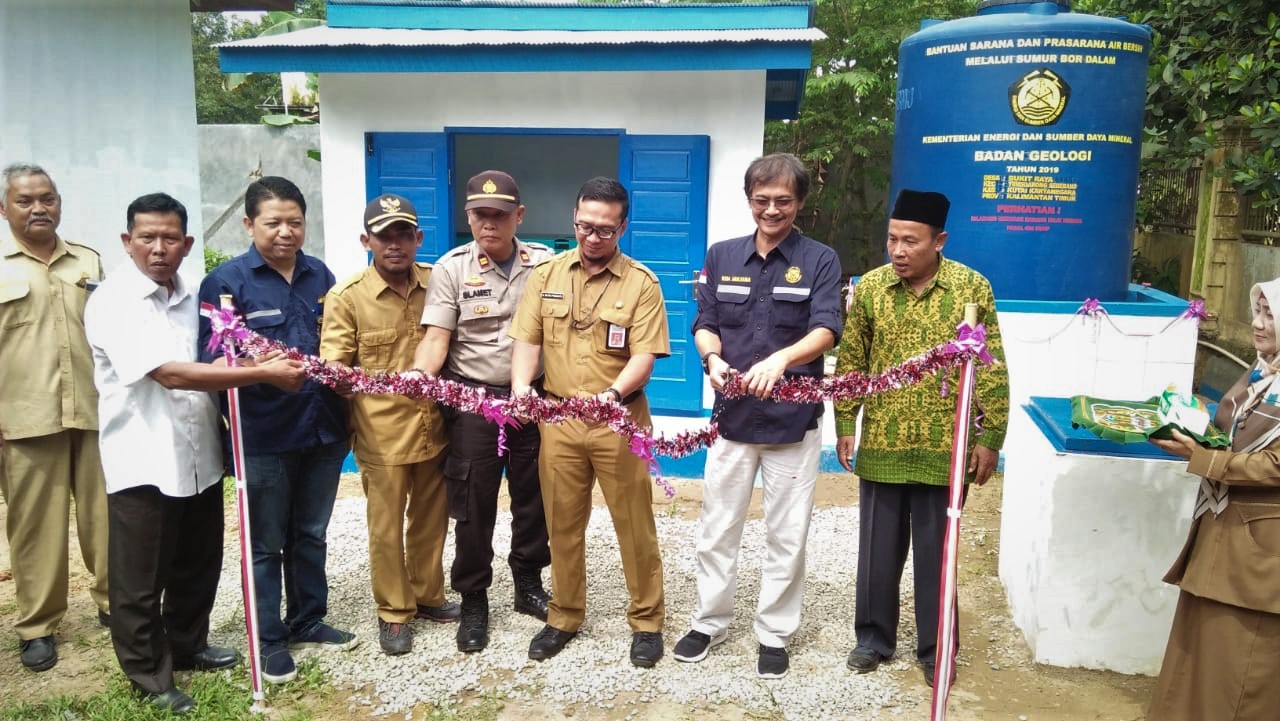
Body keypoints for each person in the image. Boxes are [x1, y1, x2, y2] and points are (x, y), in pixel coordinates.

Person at [85, 192, 306, 714]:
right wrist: (264, 373)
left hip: (200, 453)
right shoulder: (114, 300)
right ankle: (148, 674)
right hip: (144, 456)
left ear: (187, 244)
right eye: (146, 237)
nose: (158, 248)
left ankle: (188, 643)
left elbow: (217, 354)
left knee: (197, 562)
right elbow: (170, 373)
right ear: (127, 241)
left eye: (169, 238)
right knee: (140, 578)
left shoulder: (195, 297)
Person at [673, 153, 842, 679]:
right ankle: (709, 621)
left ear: (800, 203)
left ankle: (774, 633)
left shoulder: (820, 260)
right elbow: (704, 321)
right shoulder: (722, 255)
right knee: (718, 527)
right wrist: (712, 358)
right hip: (734, 420)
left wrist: (782, 360)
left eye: (784, 201)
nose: (772, 210)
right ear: (749, 200)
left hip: (794, 423)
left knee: (787, 534)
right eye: (762, 200)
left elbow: (827, 328)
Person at [835, 189, 1008, 687]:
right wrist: (846, 422)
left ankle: (936, 650)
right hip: (885, 440)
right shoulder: (869, 288)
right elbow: (853, 361)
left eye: (911, 241)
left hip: (945, 445)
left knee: (938, 553)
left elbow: (991, 369)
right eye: (892, 239)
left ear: (940, 241)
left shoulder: (971, 290)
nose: (899, 250)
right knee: (877, 551)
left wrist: (989, 435)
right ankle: (872, 639)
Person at [197, 176, 354, 684]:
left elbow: (337, 342)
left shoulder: (321, 276)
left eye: (295, 222)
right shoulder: (226, 283)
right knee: (265, 543)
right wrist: (261, 369)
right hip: (264, 433)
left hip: (325, 429)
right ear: (249, 224)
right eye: (273, 223)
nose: (286, 232)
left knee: (310, 533)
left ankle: (307, 618)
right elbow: (211, 359)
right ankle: (268, 638)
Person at [508, 177, 670, 667]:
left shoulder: (642, 283)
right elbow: (528, 341)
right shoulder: (546, 275)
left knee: (634, 523)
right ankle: (564, 615)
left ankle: (646, 621)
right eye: (584, 226)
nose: (592, 237)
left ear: (623, 226)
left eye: (604, 229)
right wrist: (520, 386)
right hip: (558, 418)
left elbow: (644, 356)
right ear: (573, 219)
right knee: (562, 523)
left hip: (618, 419)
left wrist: (612, 395)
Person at [411, 171, 551, 653]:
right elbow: (436, 337)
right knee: (472, 504)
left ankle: (528, 583)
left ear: (519, 216)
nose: (488, 224)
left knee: (534, 496)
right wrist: (421, 376)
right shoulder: (450, 267)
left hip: (531, 400)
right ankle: (473, 598)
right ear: (468, 216)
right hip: (474, 401)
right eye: (479, 215)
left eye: (498, 215)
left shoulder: (545, 266)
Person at [318, 194, 459, 657]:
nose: (394, 244)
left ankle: (426, 597)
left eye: (403, 234)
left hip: (433, 428)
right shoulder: (347, 297)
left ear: (417, 238)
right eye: (384, 235)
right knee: (385, 526)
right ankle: (394, 611)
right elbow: (334, 369)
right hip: (382, 435)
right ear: (366, 240)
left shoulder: (437, 282)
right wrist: (360, 380)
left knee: (431, 520)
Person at [1145, 278, 1280, 721]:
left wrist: (1203, 458)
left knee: (1242, 674)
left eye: (1270, 316)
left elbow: (1274, 466)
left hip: (1259, 559)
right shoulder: (1264, 372)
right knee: (1200, 661)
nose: (1258, 325)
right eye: (1257, 312)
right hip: (1223, 537)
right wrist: (1191, 426)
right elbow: (1233, 433)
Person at [0, 163, 109, 672]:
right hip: (23, 419)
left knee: (106, 517)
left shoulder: (87, 261)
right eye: (25, 200)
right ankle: (38, 626)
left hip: (93, 411)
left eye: (47, 198)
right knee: (35, 527)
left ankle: (114, 604)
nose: (38, 208)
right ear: (4, 209)